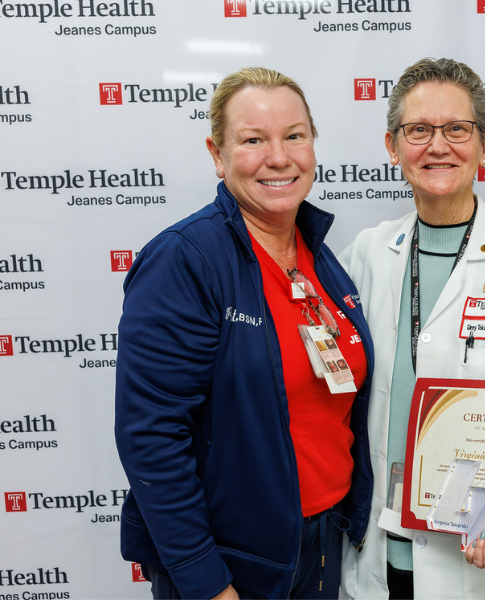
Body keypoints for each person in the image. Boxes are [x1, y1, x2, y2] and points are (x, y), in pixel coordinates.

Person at [114, 67, 374, 600]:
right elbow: (152, 438)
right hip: (233, 563)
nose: (279, 157)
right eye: (253, 140)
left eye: (294, 136)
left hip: (323, 544)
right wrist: (206, 581)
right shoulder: (185, 259)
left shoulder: (319, 257)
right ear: (217, 153)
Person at [339, 58, 485, 600]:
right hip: (379, 556)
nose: (438, 146)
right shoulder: (364, 257)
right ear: (392, 145)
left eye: (457, 129)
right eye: (418, 130)